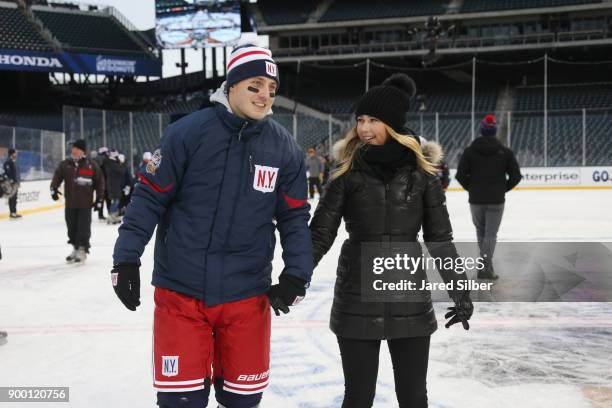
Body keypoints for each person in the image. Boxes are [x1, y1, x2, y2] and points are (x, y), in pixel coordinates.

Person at [111, 40, 313, 408]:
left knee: (243, 401)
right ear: (231, 85)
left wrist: (297, 273)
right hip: (181, 294)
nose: (265, 96)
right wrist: (126, 259)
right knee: (181, 401)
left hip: (247, 295)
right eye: (254, 86)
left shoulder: (283, 148)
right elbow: (148, 197)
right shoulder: (187, 133)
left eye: (271, 89)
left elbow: (295, 217)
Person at [310, 73, 473, 408]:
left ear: (394, 124)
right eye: (360, 120)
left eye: (374, 120)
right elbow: (321, 232)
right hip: (356, 296)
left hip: (408, 295)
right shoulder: (346, 171)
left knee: (413, 397)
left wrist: (460, 290)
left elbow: (440, 239)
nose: (365, 128)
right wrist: (295, 276)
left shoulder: (422, 174)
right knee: (358, 397)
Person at [456, 114, 522, 280]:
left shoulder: (470, 151)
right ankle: (485, 267)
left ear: (482, 130)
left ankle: (485, 266)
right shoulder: (505, 152)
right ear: (494, 131)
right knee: (491, 234)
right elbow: (516, 176)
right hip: (496, 200)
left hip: (476, 199)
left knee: (481, 233)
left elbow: (460, 175)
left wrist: (471, 188)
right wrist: (502, 189)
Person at [50, 139, 105, 263]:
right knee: (71, 228)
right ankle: (75, 247)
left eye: (76, 148)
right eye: (73, 148)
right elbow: (57, 177)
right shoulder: (66, 164)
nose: (73, 150)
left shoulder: (91, 165)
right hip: (70, 203)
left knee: (83, 228)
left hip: (85, 205)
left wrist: (100, 199)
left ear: (82, 151)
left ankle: (82, 249)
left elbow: (100, 182)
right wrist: (53, 188)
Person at [103, 149, 125, 225]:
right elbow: (121, 171)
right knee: (116, 201)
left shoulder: (111, 162)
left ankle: (112, 216)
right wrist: (121, 163)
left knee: (116, 201)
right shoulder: (112, 163)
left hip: (114, 184)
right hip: (113, 185)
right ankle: (112, 216)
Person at [3, 148, 21, 219]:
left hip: (15, 183)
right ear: (12, 154)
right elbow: (8, 172)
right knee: (12, 198)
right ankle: (12, 213)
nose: (16, 154)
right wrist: (11, 180)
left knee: (14, 198)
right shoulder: (8, 162)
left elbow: (16, 173)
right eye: (15, 153)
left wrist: (17, 182)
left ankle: (14, 212)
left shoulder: (13, 162)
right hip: (11, 184)